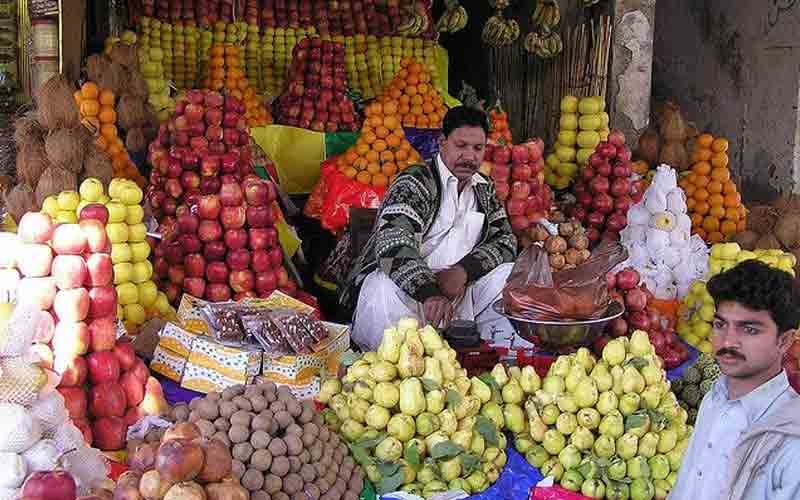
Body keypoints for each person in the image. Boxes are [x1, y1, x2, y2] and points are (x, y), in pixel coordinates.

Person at [340, 106, 520, 350]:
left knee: (508, 275)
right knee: (382, 287)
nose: (469, 156)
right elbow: (393, 244)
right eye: (461, 146)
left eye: (478, 148)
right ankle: (395, 367)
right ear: (442, 142)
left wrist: (463, 272)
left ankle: (494, 357)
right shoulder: (415, 181)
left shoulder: (483, 187)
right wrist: (429, 292)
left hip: (460, 292)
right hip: (411, 293)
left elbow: (505, 241)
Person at [668, 260, 800, 500]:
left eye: (749, 329)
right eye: (720, 324)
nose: (727, 341)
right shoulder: (714, 398)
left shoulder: (791, 442)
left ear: (785, 341)